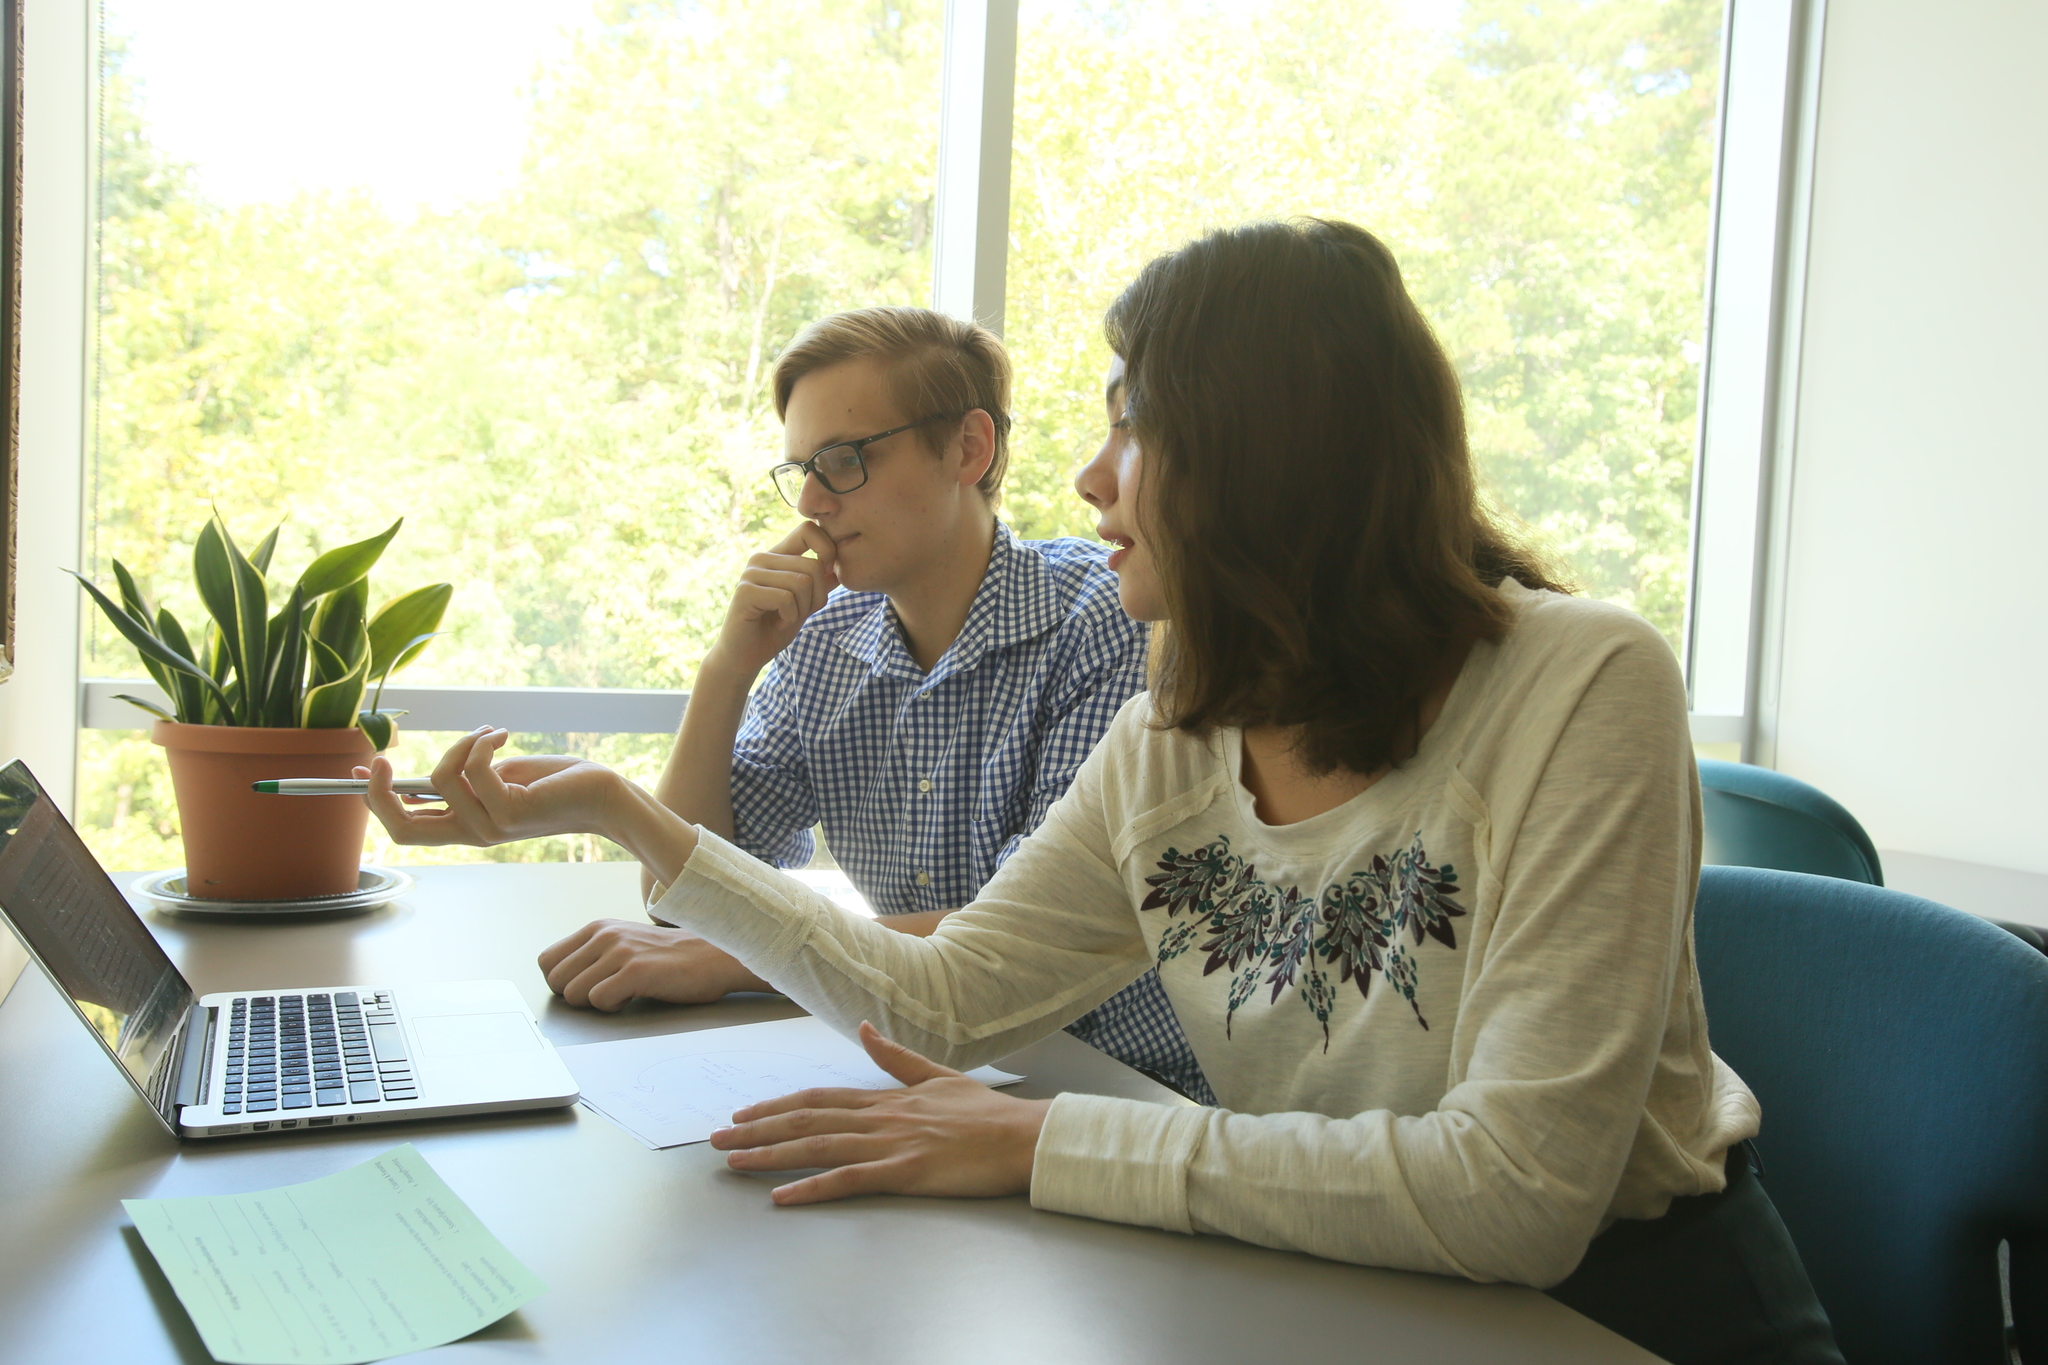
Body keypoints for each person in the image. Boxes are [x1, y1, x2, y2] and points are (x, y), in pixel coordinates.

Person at [365, 221, 1841, 1364]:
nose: (1087, 478)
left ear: (1268, 448)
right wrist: (626, 812)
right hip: (1331, 1271)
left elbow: (1512, 1196)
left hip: (1620, 1309)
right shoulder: (1177, 725)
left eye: (1131, 423)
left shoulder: (1582, 681)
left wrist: (1036, 1140)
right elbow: (947, 1001)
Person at [534, 306, 1213, 1103]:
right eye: (801, 469)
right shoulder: (822, 643)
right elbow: (683, 901)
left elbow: (1018, 938)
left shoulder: (1107, 620)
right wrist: (728, 668)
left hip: (1125, 1094)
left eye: (844, 459)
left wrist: (736, 958)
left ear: (969, 448)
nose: (811, 501)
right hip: (934, 1076)